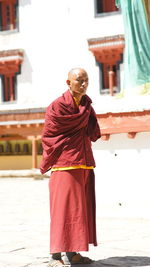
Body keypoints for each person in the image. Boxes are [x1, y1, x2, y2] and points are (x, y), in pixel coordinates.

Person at [40, 68, 101, 267]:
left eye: (86, 81)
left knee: (78, 211)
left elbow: (91, 130)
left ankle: (73, 253)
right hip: (64, 165)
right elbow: (50, 136)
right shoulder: (57, 106)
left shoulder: (86, 104)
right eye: (79, 80)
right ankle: (55, 256)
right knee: (62, 211)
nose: (83, 84)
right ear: (68, 82)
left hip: (83, 162)